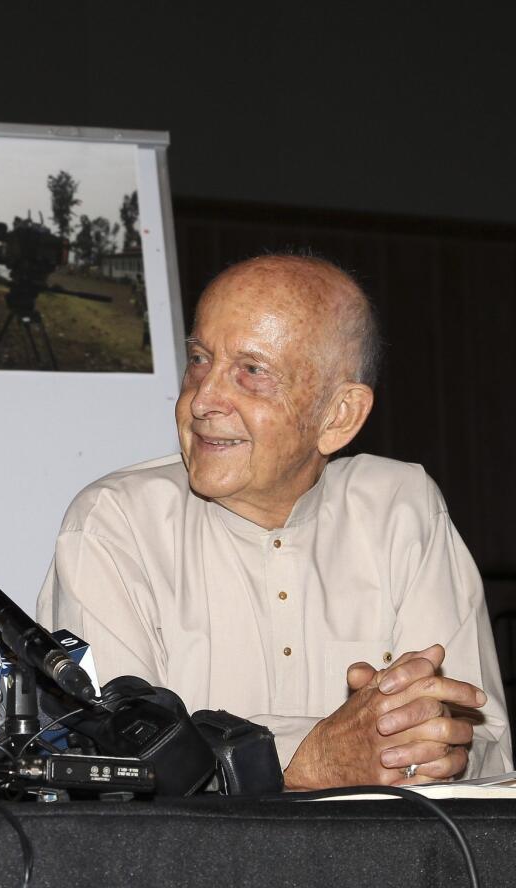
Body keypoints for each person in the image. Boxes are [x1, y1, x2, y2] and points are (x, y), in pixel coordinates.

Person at [37, 253, 512, 788]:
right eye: (199, 359)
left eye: (252, 372)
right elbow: (122, 766)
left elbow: (486, 744)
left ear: (339, 416)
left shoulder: (401, 507)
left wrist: (430, 745)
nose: (202, 399)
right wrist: (311, 759)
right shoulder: (114, 522)